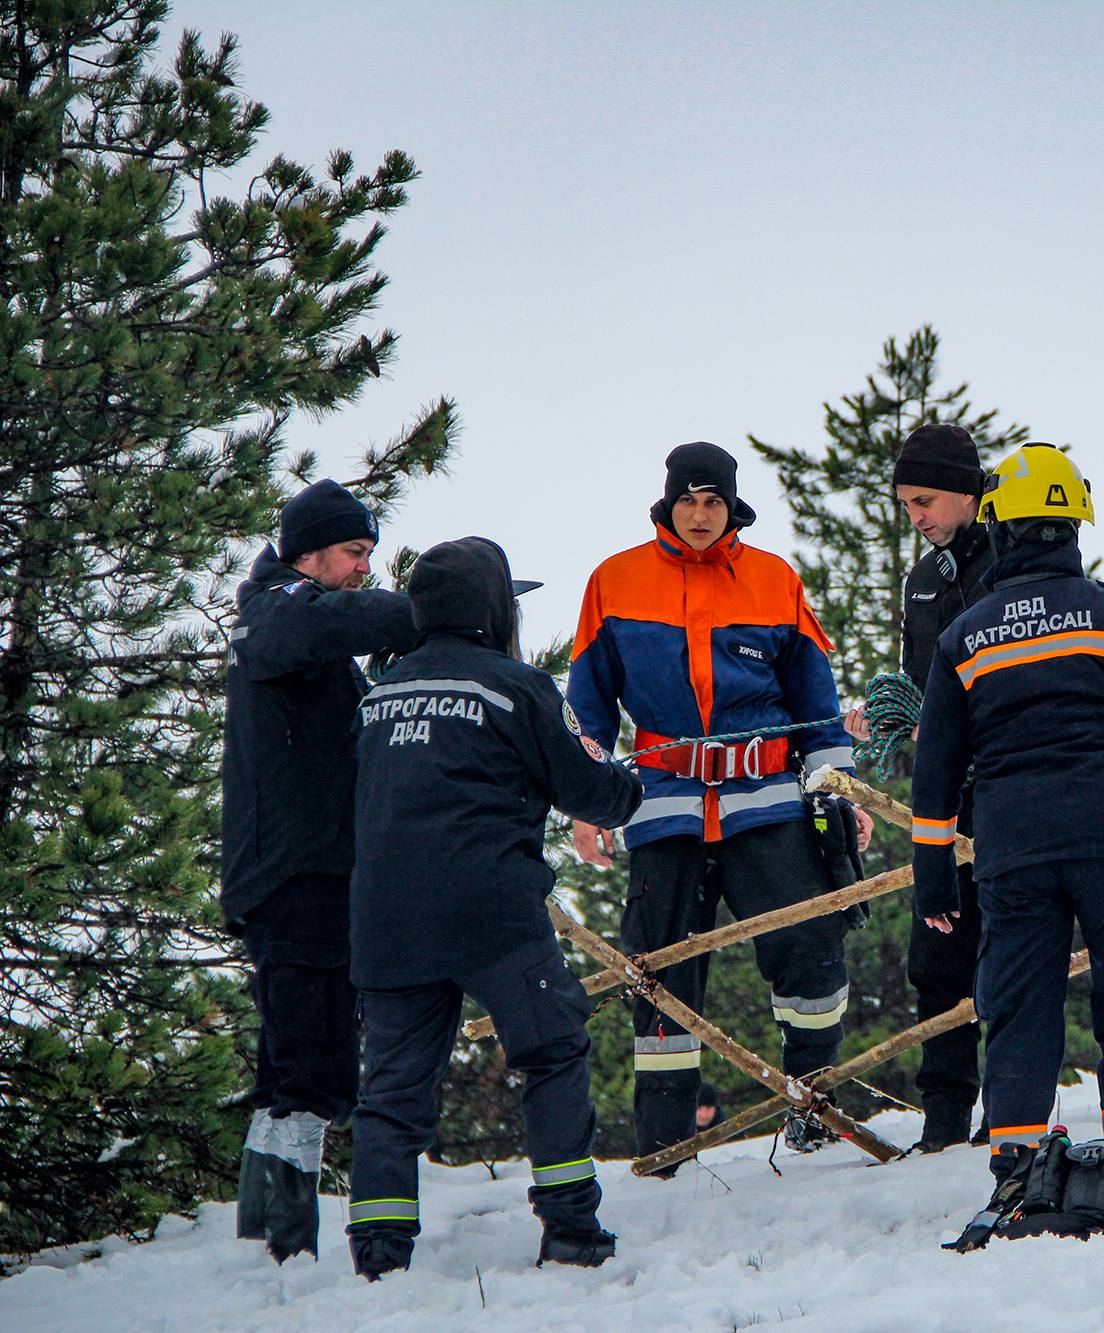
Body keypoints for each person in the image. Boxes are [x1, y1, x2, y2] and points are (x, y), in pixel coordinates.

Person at [908, 443, 1104, 1227]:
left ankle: (1017, 1163)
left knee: (1020, 1006)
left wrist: (933, 874)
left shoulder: (966, 635)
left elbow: (936, 766)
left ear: (1000, 527)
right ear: (1074, 523)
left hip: (1014, 847)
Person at [343, 537, 643, 1277]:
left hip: (384, 918)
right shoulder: (518, 686)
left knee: (391, 1087)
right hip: (491, 911)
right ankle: (571, 1226)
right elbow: (589, 789)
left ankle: (380, 1255)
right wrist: (627, 785)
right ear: (493, 608)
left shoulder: (376, 696)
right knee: (552, 1047)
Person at [567, 441, 871, 1161]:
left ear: (733, 507)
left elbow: (817, 705)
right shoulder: (615, 580)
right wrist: (585, 803)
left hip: (767, 802)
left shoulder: (774, 579)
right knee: (659, 972)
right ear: (668, 503)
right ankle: (667, 1144)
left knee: (811, 947)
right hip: (663, 805)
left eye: (714, 502)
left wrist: (839, 790)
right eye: (689, 500)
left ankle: (813, 1105)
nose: (701, 515)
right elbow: (588, 711)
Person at [221, 479, 418, 1262]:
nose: (363, 568)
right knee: (315, 1063)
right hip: (295, 875)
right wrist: (436, 604)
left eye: (370, 552)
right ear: (308, 553)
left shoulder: (304, 624)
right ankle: (287, 1245)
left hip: (314, 872)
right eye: (354, 552)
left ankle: (261, 1234)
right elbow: (325, 620)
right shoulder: (275, 610)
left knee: (287, 1064)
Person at [843, 422, 996, 1152]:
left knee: (1011, 945)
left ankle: (1011, 1104)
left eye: (926, 499)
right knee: (937, 947)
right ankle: (943, 1117)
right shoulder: (924, 579)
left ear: (967, 490)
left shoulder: (1015, 552)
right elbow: (916, 679)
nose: (918, 517)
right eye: (906, 504)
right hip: (943, 789)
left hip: (1008, 781)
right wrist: (887, 713)